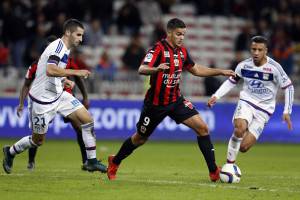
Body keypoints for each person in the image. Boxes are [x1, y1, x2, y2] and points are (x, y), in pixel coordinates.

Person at [107, 18, 235, 182]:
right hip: (155, 105)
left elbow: (195, 69)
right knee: (140, 138)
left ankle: (213, 171)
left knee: (202, 128)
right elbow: (141, 69)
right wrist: (156, 68)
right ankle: (115, 161)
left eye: (184, 34)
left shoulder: (182, 51)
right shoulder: (157, 49)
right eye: (178, 34)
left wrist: (221, 72)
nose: (182, 37)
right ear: (169, 33)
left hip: (176, 101)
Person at [3, 19, 107, 174]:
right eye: (78, 35)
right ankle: (10, 152)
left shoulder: (65, 48)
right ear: (68, 33)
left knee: (87, 120)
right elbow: (50, 70)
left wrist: (64, 80)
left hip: (59, 95)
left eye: (82, 35)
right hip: (42, 102)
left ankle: (91, 161)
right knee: (37, 141)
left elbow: (52, 72)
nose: (81, 39)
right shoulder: (58, 48)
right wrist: (76, 72)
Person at [207, 36, 294, 164]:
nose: (256, 52)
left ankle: (241, 140)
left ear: (266, 51)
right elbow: (232, 82)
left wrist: (287, 111)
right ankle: (229, 165)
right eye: (254, 49)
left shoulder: (275, 68)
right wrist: (216, 95)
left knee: (244, 147)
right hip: (246, 102)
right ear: (250, 49)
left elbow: (289, 87)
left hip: (264, 110)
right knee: (240, 128)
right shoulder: (243, 65)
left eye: (260, 50)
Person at [16, 36, 91, 171]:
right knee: (37, 136)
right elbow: (26, 84)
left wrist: (85, 97)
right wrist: (21, 103)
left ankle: (86, 161)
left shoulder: (67, 60)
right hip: (45, 100)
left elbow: (78, 79)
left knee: (79, 127)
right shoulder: (37, 65)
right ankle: (31, 161)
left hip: (64, 97)